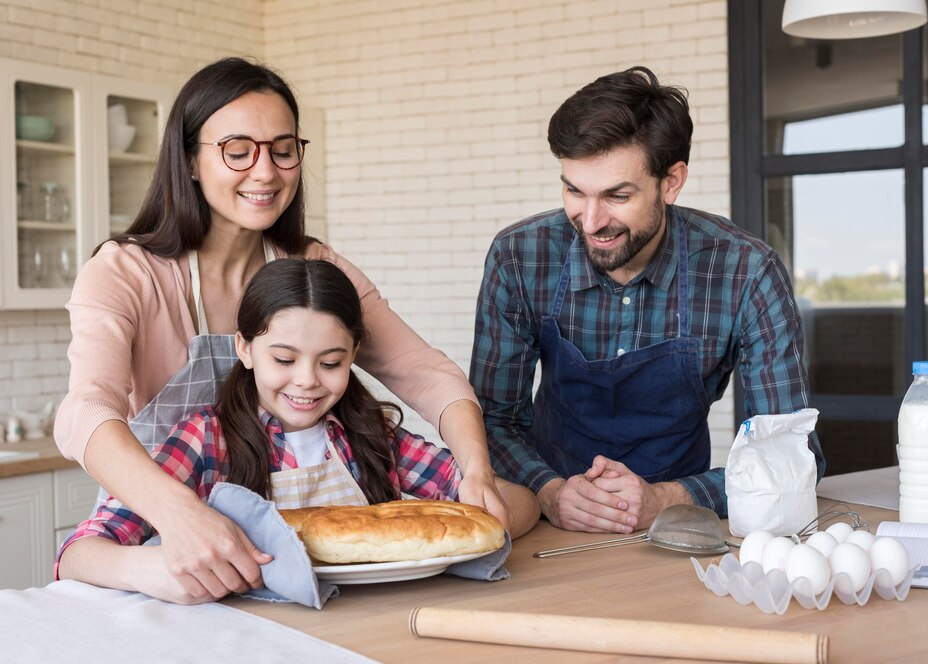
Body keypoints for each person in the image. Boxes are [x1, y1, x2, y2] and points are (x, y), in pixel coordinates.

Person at [54, 57, 513, 602]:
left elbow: (430, 377)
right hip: (158, 532)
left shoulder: (314, 268)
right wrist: (177, 515)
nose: (266, 172)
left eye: (283, 149)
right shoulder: (127, 271)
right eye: (238, 151)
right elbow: (85, 412)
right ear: (191, 161)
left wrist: (476, 471)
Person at [470, 66, 826, 535]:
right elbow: (491, 422)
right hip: (549, 521)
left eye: (617, 195)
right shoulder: (520, 256)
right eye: (574, 191)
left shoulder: (747, 271)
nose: (591, 220)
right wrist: (550, 490)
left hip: (679, 528)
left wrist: (666, 499)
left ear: (671, 181)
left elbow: (791, 455)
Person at [56, 259, 538, 604]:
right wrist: (147, 568)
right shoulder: (203, 440)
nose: (307, 380)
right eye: (284, 359)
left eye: (331, 362)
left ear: (354, 355)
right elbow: (77, 555)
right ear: (244, 349)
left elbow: (520, 502)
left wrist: (482, 505)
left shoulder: (369, 438)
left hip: (374, 624)